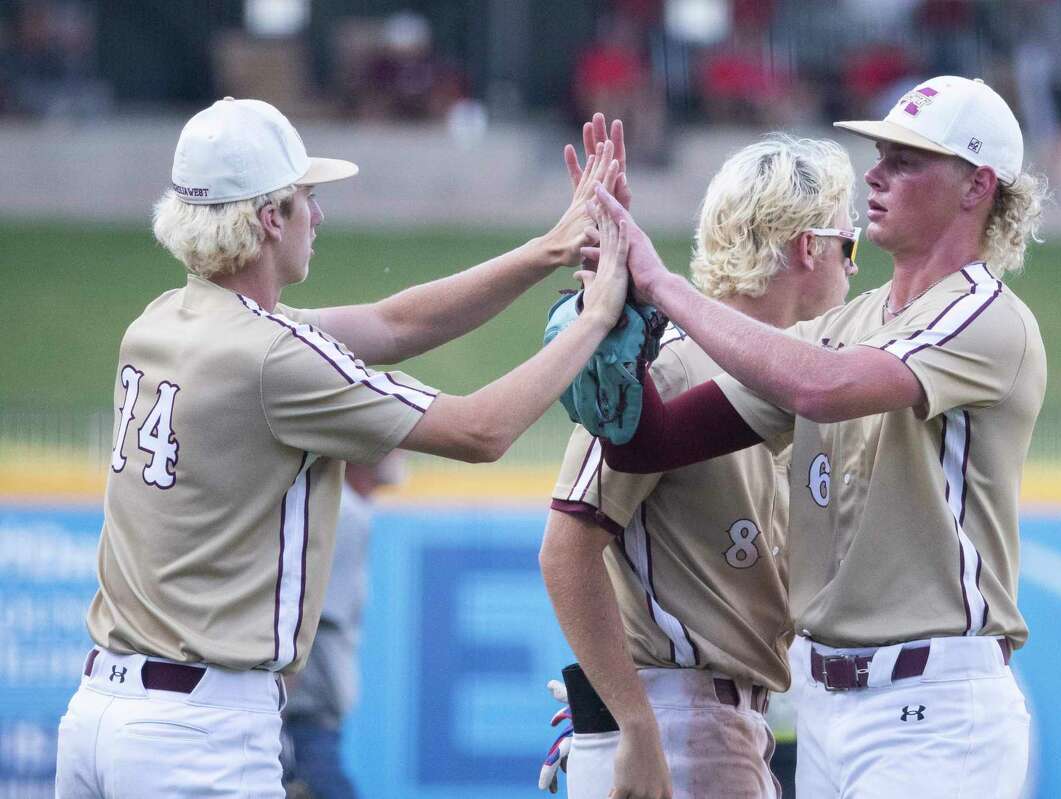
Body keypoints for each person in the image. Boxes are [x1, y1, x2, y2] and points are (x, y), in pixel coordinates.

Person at [53, 96, 631, 799]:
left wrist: (552, 248)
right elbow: (482, 431)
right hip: (195, 733)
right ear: (270, 218)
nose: (318, 216)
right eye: (306, 198)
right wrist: (595, 316)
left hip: (96, 712)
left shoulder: (162, 319)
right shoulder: (272, 356)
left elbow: (395, 322)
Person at [592, 75, 1049, 798]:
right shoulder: (846, 323)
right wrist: (604, 323)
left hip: (935, 709)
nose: (876, 173)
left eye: (907, 159)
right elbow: (654, 442)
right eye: (881, 153)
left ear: (976, 186)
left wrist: (664, 286)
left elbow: (821, 388)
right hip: (823, 707)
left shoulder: (987, 316)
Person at [540, 132, 860, 798]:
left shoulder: (786, 384)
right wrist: (634, 723)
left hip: (716, 720)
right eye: (848, 245)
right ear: (810, 246)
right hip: (680, 722)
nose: (854, 269)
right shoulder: (672, 363)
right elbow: (566, 548)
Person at [280, 453, 404, 798]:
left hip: (303, 726)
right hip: (299, 729)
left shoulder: (346, 508)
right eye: (389, 440)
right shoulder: (343, 513)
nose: (402, 447)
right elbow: (300, 626)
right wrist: (273, 724)